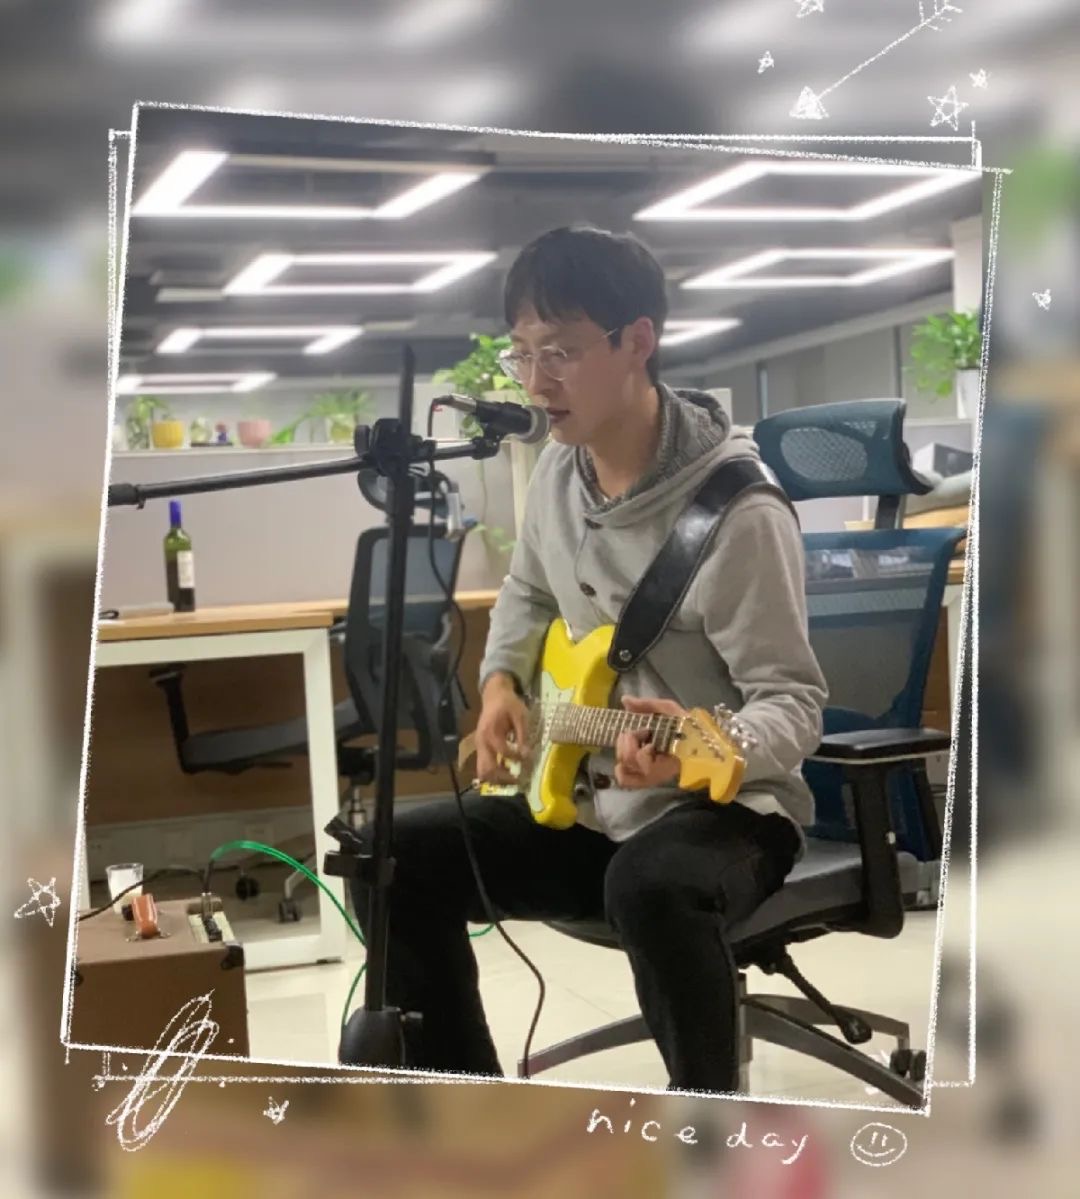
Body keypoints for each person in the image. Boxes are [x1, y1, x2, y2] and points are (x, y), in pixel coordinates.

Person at [350, 225, 827, 1093]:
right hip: (594, 800)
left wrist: (703, 744)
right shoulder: (557, 476)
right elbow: (527, 591)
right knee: (388, 853)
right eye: (522, 352)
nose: (536, 381)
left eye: (561, 351)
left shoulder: (740, 513)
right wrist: (500, 681)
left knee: (651, 884)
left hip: (729, 811)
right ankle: (470, 1106)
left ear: (637, 340)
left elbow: (792, 701)